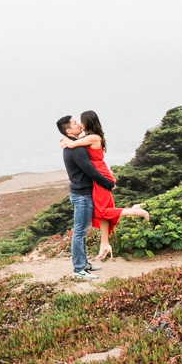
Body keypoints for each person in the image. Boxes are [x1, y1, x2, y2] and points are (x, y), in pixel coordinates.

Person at [59, 110, 150, 261]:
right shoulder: (88, 136)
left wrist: (64, 138)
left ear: (87, 122)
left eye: (80, 121)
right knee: (102, 210)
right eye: (76, 123)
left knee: (102, 211)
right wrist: (65, 139)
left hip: (99, 174)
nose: (79, 125)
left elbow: (70, 143)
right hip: (98, 173)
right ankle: (105, 244)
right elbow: (68, 142)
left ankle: (135, 211)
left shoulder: (93, 137)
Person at [56, 114, 117, 280]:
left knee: (80, 232)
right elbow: (90, 170)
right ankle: (78, 269)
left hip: (81, 193)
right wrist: (108, 184)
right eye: (75, 123)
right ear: (69, 130)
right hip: (82, 195)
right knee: (79, 232)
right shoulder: (77, 150)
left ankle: (84, 264)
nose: (79, 125)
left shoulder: (73, 145)